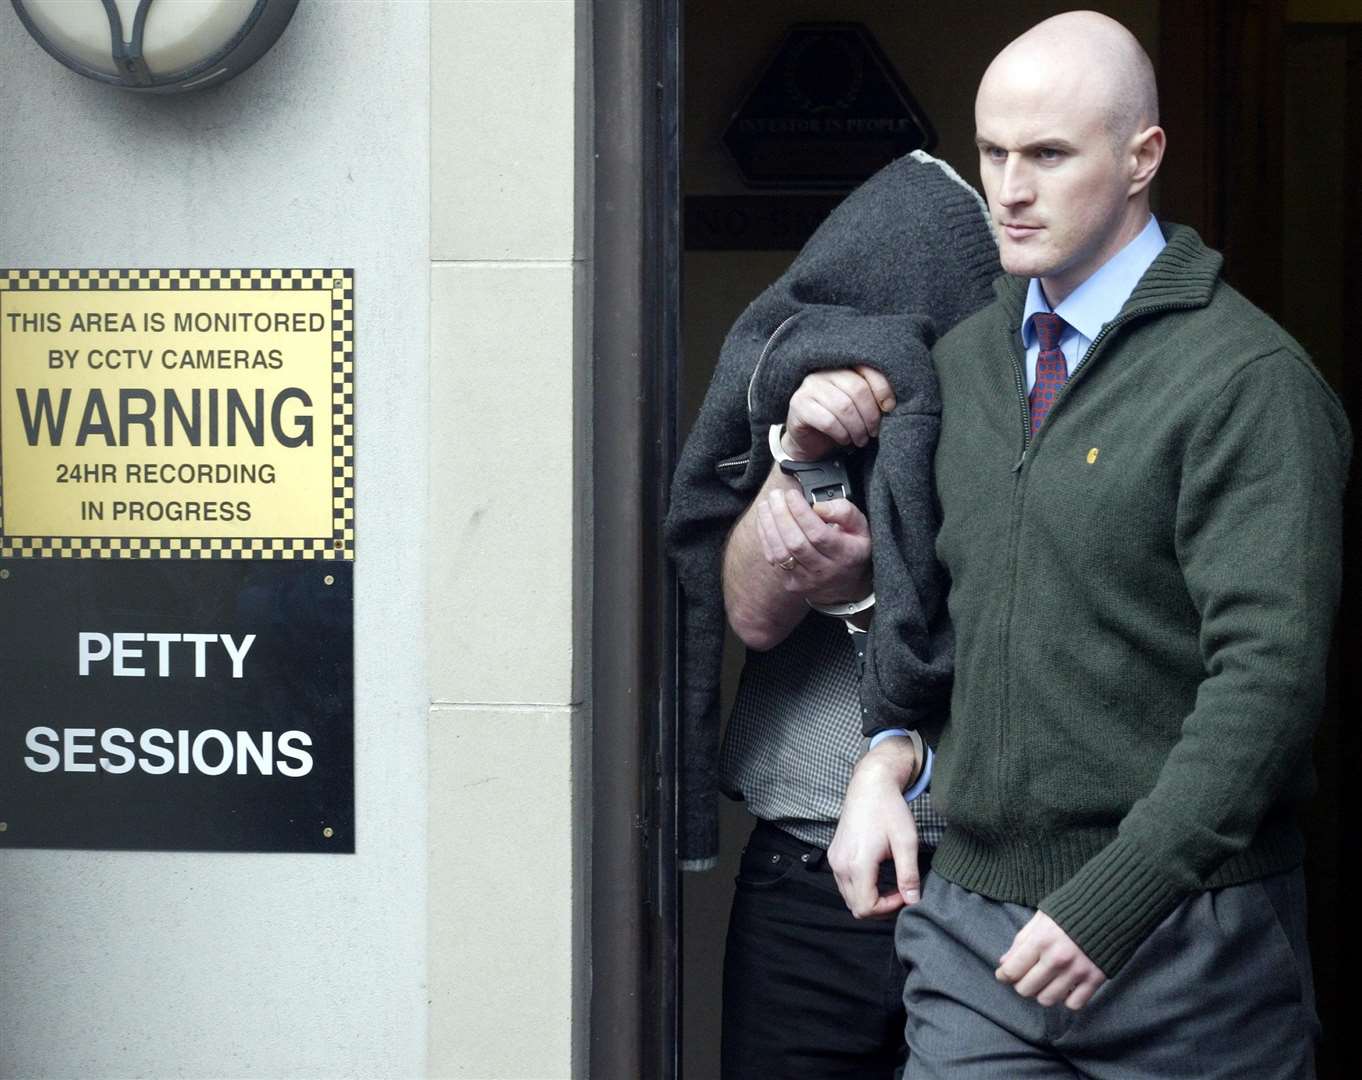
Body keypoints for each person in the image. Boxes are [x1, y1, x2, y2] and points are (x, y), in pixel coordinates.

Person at [829, 11, 1351, 1078]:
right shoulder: (966, 363)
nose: (1010, 189)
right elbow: (930, 626)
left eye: (1050, 155)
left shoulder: (1248, 381)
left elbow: (1270, 679)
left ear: (1142, 157)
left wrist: (1120, 900)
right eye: (992, 153)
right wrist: (884, 759)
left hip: (1190, 949)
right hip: (975, 943)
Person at [664, 149, 999, 1077]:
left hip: (990, 869)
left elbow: (1027, 616)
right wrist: (797, 455)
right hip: (805, 871)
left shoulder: (1019, 393)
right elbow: (752, 615)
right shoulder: (816, 402)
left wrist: (869, 591)